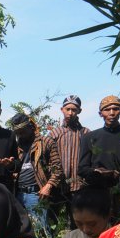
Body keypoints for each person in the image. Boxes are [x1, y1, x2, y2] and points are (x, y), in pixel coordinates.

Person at [77, 95, 120, 198]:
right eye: (107, 109)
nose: (112, 113)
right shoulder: (89, 137)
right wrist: (98, 172)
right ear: (100, 114)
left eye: (115, 109)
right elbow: (82, 169)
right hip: (98, 193)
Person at [40, 94, 86, 228]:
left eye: (74, 109)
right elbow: (45, 159)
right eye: (68, 109)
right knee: (51, 223)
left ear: (79, 111)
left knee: (77, 223)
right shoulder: (54, 133)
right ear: (62, 109)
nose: (70, 113)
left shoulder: (86, 133)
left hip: (78, 187)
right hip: (57, 187)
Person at [8, 111, 48, 234]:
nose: (21, 135)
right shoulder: (16, 146)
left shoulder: (44, 142)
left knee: (40, 230)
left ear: (30, 127)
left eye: (23, 131)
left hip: (36, 193)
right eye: (18, 133)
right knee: (21, 229)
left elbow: (57, 169)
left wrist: (48, 186)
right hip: (18, 193)